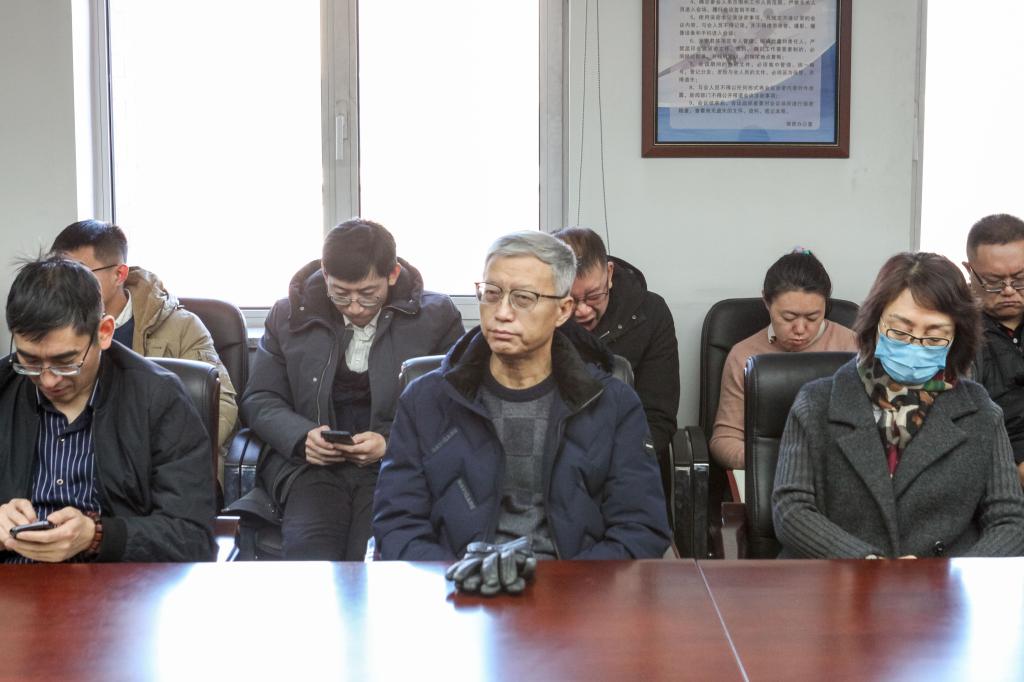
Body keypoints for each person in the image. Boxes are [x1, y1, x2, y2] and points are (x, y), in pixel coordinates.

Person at [373, 231, 671, 561]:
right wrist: (456, 578)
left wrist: (568, 584)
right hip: (456, 582)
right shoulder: (425, 399)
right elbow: (398, 522)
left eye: (523, 298)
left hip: (575, 585)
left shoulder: (612, 404)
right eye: (491, 293)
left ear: (563, 310)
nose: (502, 312)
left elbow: (640, 528)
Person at [772, 252, 1024, 559]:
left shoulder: (980, 412)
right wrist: (867, 564)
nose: (914, 345)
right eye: (900, 331)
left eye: (934, 337)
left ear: (956, 339)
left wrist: (952, 576)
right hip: (841, 577)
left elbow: (1009, 521)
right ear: (875, 323)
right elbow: (791, 509)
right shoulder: (817, 402)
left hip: (942, 582)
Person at [241, 218, 463, 560]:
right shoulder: (288, 315)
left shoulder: (436, 317)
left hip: (394, 466)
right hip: (309, 466)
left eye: (368, 295)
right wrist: (301, 437)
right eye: (341, 294)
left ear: (392, 274)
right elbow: (260, 398)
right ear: (325, 274)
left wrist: (389, 443)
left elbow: (453, 402)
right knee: (310, 553)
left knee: (373, 553)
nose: (355, 307)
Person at [0, 256, 216, 562]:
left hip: (115, 579)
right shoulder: (4, 388)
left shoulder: (159, 398)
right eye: (30, 361)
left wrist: (97, 535)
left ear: (104, 332)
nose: (47, 380)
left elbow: (192, 537)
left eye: (66, 362)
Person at [50, 220, 238, 466]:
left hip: (161, 465)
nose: (65, 285)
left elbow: (221, 408)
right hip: (77, 463)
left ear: (119, 275)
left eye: (79, 273)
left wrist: (153, 458)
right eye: (58, 273)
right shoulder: (50, 331)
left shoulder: (181, 327)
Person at [710, 249, 857, 470]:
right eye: (788, 317)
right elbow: (724, 439)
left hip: (834, 471)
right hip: (767, 473)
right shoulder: (743, 355)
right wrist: (768, 463)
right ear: (767, 303)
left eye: (813, 317)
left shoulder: (852, 347)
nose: (800, 329)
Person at [552, 228, 679, 459]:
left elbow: (658, 419)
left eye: (593, 296)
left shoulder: (651, 314)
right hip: (552, 453)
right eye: (569, 299)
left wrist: (610, 463)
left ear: (609, 274)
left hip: (625, 456)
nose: (582, 310)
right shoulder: (536, 317)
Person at [965, 213, 1024, 487]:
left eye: (1020, 279)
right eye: (994, 281)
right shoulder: (954, 332)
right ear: (969, 270)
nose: (1009, 291)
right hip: (996, 467)